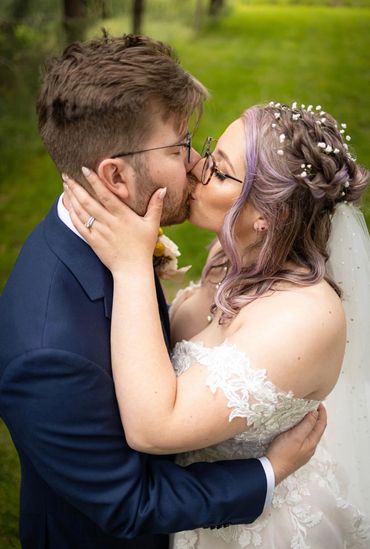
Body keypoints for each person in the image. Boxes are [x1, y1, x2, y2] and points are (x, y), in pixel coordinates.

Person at [0, 36, 325, 549]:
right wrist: (269, 471)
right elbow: (131, 503)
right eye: (178, 149)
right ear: (116, 176)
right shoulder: (48, 354)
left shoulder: (116, 236)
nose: (196, 162)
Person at [63, 101, 370, 548]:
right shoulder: (230, 259)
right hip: (195, 503)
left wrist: (131, 266)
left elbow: (155, 429)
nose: (195, 168)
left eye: (220, 172)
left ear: (270, 216)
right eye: (210, 152)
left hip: (257, 524)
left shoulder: (305, 318)